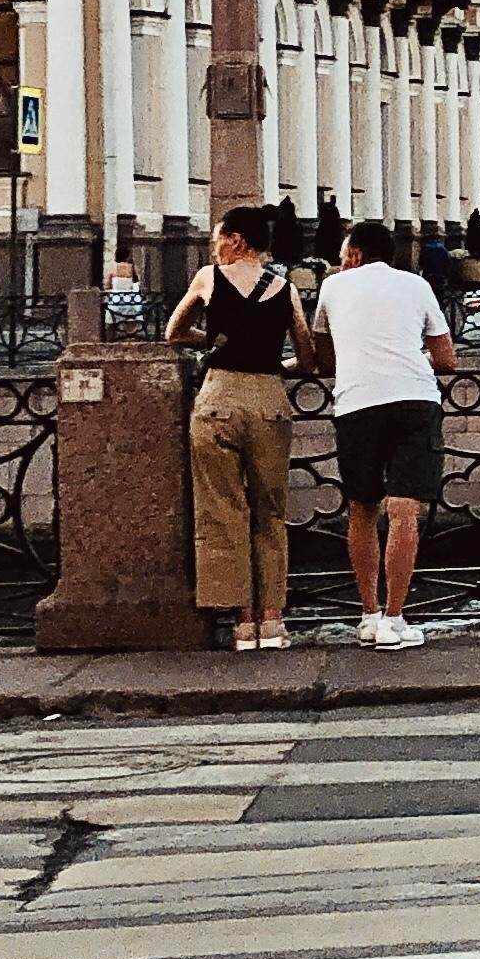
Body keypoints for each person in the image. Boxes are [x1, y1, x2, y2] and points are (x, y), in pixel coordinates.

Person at [165, 208, 313, 652]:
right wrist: (273, 366)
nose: (215, 246)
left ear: (237, 240)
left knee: (223, 510)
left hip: (218, 401)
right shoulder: (285, 289)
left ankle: (242, 622)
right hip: (269, 400)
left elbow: (175, 331)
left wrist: (209, 343)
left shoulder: (209, 278)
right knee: (270, 511)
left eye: (218, 238)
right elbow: (307, 358)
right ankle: (273, 623)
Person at [312, 218, 455, 653]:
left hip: (356, 403)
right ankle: (396, 619)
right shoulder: (416, 286)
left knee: (361, 509)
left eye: (342, 255)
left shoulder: (332, 289)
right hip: (414, 400)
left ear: (353, 255)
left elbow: (322, 355)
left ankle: (368, 614)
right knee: (404, 511)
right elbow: (446, 357)